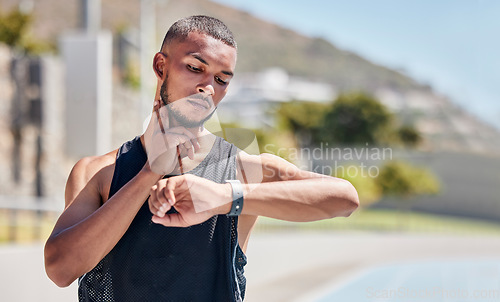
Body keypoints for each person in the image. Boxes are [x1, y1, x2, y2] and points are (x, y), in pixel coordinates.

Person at [44, 15, 359, 301]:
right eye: (196, 68)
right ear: (160, 66)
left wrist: (225, 197)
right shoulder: (97, 173)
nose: (208, 87)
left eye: (222, 79)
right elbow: (61, 270)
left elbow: (344, 199)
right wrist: (149, 175)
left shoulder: (241, 170)